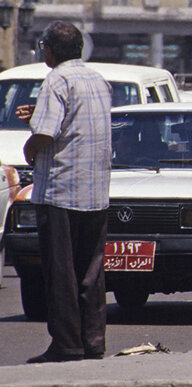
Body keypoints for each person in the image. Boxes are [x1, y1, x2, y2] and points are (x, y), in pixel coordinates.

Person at [17, 21, 113, 363]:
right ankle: (92, 340)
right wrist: (38, 117)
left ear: (49, 49)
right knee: (91, 271)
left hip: (62, 190)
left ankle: (67, 344)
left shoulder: (57, 79)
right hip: (95, 191)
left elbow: (46, 134)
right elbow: (74, 124)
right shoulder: (97, 80)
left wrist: (31, 147)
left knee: (61, 273)